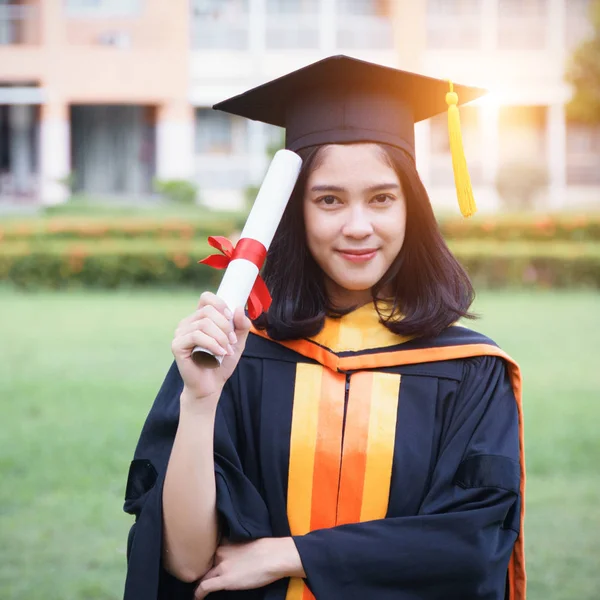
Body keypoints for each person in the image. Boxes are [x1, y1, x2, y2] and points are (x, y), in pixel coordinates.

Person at [123, 55, 526, 600]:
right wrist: (199, 402)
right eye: (329, 200)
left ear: (412, 209)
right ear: (296, 212)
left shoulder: (469, 369)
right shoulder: (240, 351)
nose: (357, 227)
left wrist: (289, 553)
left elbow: (472, 543)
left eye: (382, 198)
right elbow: (188, 561)